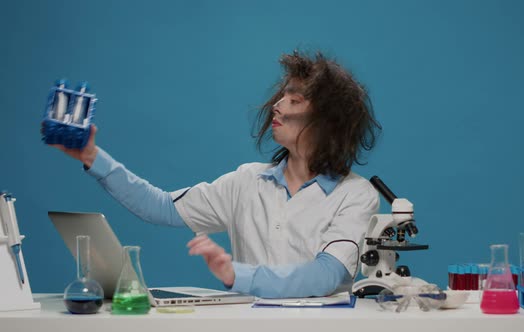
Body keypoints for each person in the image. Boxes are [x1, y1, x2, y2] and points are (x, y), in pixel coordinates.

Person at [49, 51, 382, 298]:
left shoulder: (356, 194)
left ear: (327, 123)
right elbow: (162, 206)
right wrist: (92, 156)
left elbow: (325, 275)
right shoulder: (246, 181)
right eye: (281, 96)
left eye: (294, 100)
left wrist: (234, 273)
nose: (277, 106)